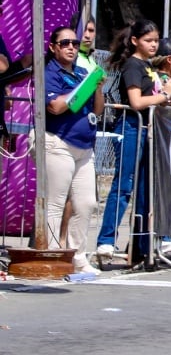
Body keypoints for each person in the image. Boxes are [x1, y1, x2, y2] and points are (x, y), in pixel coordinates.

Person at [96, 20, 171, 263]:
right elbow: (136, 101)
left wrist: (166, 96)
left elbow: (153, 99)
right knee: (123, 187)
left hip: (148, 129)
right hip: (131, 127)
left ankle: (142, 243)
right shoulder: (133, 66)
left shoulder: (148, 67)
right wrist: (165, 95)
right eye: (148, 40)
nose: (153, 45)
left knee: (146, 190)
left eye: (156, 40)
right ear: (135, 41)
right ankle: (106, 241)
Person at [44, 26, 105, 275]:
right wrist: (82, 89)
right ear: (53, 47)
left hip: (84, 146)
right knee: (56, 203)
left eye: (74, 43)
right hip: (59, 142)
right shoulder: (50, 72)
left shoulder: (82, 73)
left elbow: (98, 110)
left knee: (86, 203)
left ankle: (77, 256)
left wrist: (97, 87)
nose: (71, 47)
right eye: (65, 43)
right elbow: (55, 106)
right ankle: (52, 254)